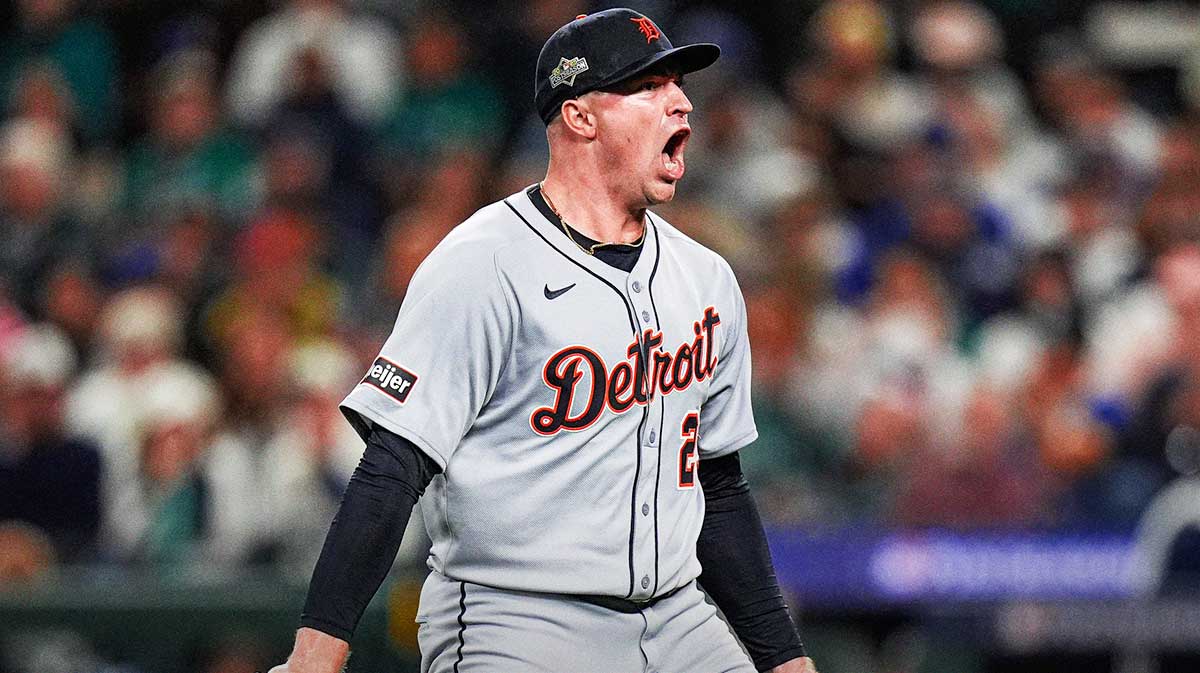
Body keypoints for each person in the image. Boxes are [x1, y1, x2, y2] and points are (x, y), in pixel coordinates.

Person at [270, 9, 817, 673]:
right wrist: (315, 651)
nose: (681, 103)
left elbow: (718, 486)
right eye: (648, 87)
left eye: (678, 83)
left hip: (678, 615)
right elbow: (393, 467)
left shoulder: (706, 277)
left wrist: (783, 658)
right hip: (518, 617)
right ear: (580, 117)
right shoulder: (483, 262)